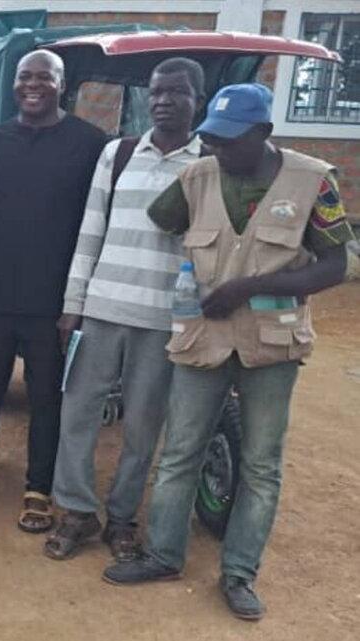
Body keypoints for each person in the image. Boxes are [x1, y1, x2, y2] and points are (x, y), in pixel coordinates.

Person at [103, 84, 359, 621]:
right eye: (212, 139)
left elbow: (336, 266)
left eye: (230, 140)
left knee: (261, 465)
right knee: (180, 452)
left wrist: (249, 286)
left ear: (263, 132)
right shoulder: (196, 177)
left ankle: (239, 573)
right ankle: (163, 555)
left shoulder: (313, 180)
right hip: (205, 338)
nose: (218, 149)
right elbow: (162, 221)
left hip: (272, 344)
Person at [43, 58, 207, 561]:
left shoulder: (208, 165)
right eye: (156, 92)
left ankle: (120, 518)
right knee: (77, 414)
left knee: (142, 425)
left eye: (176, 92)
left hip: (161, 320)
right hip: (100, 310)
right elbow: (89, 231)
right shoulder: (118, 154)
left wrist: (190, 321)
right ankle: (76, 512)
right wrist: (73, 304)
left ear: (197, 101)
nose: (163, 101)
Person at [0, 50, 107, 532]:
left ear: (62, 84)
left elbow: (96, 223)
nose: (32, 85)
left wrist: (78, 301)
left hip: (54, 301)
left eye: (44, 77)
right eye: (24, 76)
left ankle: (39, 488)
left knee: (46, 398)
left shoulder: (90, 144)